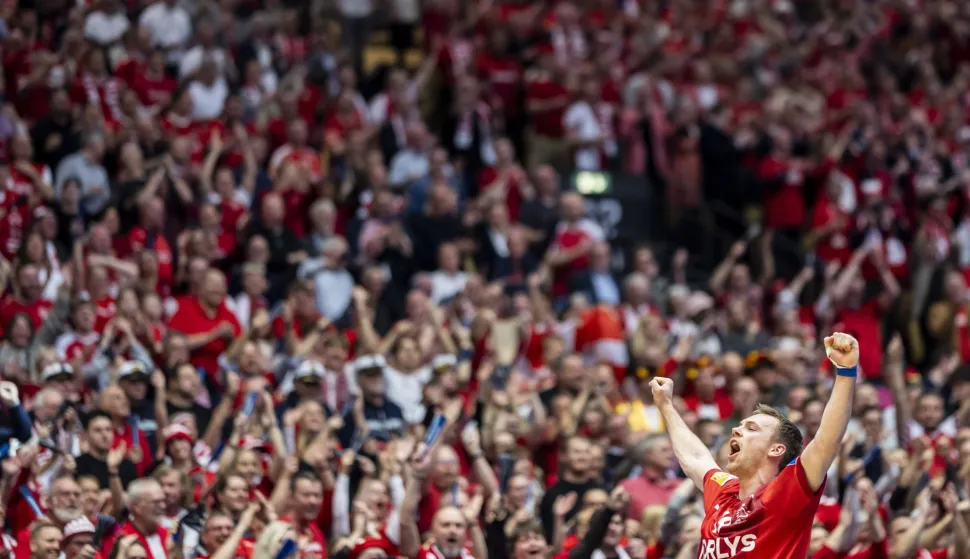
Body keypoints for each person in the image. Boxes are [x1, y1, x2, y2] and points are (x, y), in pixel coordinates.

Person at [649, 332, 859, 559]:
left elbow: (827, 440)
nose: (736, 430)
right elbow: (696, 458)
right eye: (740, 425)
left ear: (776, 449)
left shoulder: (788, 491)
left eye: (751, 428)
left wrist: (845, 372)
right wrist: (666, 405)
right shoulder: (724, 492)